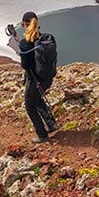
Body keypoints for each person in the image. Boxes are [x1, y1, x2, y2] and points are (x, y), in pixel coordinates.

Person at [18, 11, 59, 144]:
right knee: (37, 99)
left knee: (30, 106)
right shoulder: (45, 40)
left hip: (35, 79)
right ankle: (51, 124)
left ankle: (42, 135)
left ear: (24, 24)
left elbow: (25, 65)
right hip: (47, 78)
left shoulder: (25, 43)